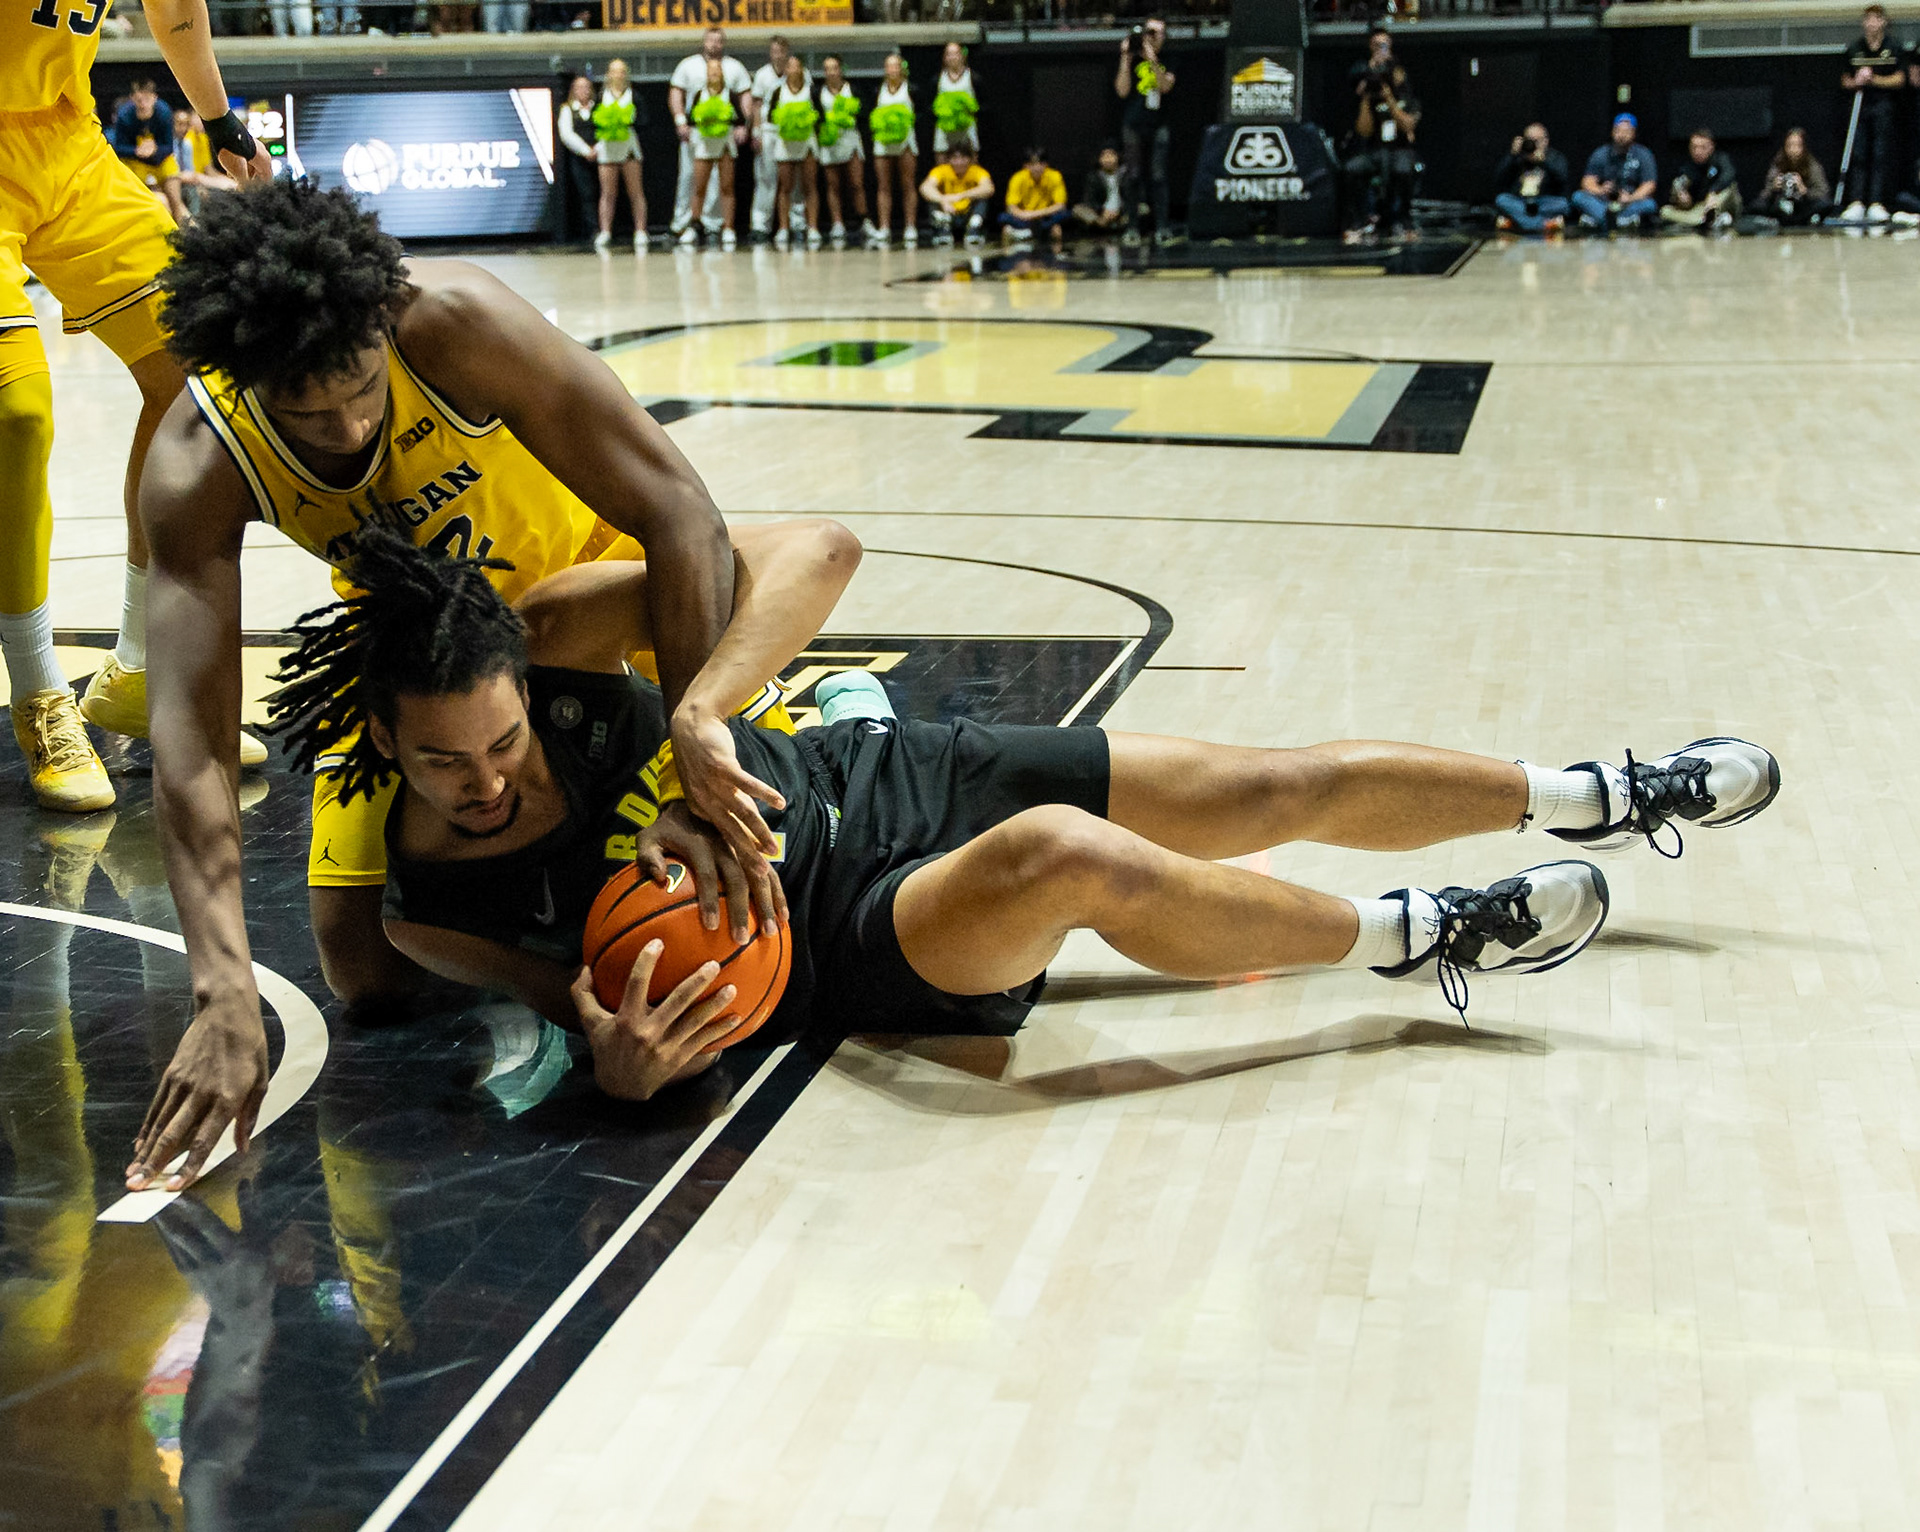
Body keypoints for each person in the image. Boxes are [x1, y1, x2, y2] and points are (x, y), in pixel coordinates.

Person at [274, 533, 1780, 1112]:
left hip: (891, 779)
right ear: (384, 755)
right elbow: (582, 1007)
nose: (489, 780)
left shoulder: (557, 646)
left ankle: (1603, 794)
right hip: (838, 941)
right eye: (445, 767)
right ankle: (1426, 939)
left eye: (503, 741)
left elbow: (815, 551)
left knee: (1272, 784)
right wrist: (620, 1062)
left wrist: (696, 718)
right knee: (1071, 862)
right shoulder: (428, 905)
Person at [116, 179, 810, 1192]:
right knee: (363, 972)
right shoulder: (194, 463)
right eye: (308, 412)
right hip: (426, 653)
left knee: (744, 875)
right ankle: (576, 931)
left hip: (584, 599)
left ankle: (813, 722)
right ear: (243, 379)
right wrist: (219, 981)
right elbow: (193, 747)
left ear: (382, 322)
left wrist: (690, 761)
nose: (349, 428)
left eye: (361, 387)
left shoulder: (457, 323)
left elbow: (680, 512)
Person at [2, 0, 271, 812]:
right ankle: (40, 692)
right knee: (17, 413)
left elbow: (176, 7)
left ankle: (139, 669)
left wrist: (220, 119)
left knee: (204, 367)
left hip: (67, 140)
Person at [668, 28, 751, 242]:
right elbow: (677, 94)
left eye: (718, 40)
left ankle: (718, 224)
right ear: (704, 41)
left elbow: (744, 100)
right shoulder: (688, 65)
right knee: (691, 179)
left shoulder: (735, 67)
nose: (714, 44)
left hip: (724, 136)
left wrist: (745, 125)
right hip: (697, 137)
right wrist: (680, 122)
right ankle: (685, 223)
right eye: (710, 40)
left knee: (723, 183)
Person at [1342, 28, 1420, 244]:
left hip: (1400, 147)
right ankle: (1358, 220)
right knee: (1351, 169)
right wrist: (1368, 98)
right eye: (1377, 44)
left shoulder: (1401, 79)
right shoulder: (1364, 73)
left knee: (1403, 169)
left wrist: (1389, 98)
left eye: (1384, 44)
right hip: (1374, 148)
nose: (1381, 49)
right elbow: (1363, 131)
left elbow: (1407, 125)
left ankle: (1404, 220)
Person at [1839, 3, 1903, 222]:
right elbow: (1844, 79)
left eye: (1876, 19)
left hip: (1883, 107)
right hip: (1859, 107)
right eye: (1868, 20)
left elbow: (1900, 79)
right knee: (1858, 154)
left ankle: (1877, 202)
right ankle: (1856, 201)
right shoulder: (1855, 48)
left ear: (1883, 22)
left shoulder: (1893, 47)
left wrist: (1874, 79)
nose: (1871, 24)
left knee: (1880, 154)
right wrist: (1856, 81)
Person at [1115, 18, 1174, 244]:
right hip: (1133, 123)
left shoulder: (1169, 59)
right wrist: (1124, 58)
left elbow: (1165, 86)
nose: (1150, 37)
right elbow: (1122, 90)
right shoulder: (1130, 58)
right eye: (1147, 33)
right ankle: (1132, 227)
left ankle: (1162, 226)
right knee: (1132, 175)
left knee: (1158, 175)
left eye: (1155, 33)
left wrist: (1152, 59)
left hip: (1158, 123)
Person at [750, 37, 809, 242]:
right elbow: (756, 105)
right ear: (770, 53)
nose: (778, 55)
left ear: (788, 52)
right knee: (766, 178)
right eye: (775, 51)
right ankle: (760, 224)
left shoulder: (803, 74)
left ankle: (797, 223)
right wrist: (756, 132)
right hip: (769, 130)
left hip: (793, 132)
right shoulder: (762, 75)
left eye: (782, 51)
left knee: (795, 180)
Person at [680, 58, 742, 250]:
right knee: (699, 187)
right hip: (704, 144)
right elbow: (691, 118)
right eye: (710, 70)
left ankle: (728, 228)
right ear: (706, 74)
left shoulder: (730, 94)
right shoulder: (700, 94)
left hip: (724, 143)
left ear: (722, 73)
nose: (714, 73)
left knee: (727, 186)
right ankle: (694, 225)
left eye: (717, 70)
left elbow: (739, 118)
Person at [108, 80, 189, 227]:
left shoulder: (163, 112)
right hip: (136, 162)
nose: (143, 105)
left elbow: (168, 147)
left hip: (161, 160)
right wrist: (137, 151)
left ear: (154, 98)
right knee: (150, 201)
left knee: (176, 201)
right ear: (132, 99)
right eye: (139, 100)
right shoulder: (124, 115)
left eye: (146, 100)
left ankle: (184, 230)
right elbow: (119, 148)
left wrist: (154, 150)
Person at [816, 55, 877, 247]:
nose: (831, 72)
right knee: (833, 185)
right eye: (827, 68)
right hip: (830, 141)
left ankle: (864, 221)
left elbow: (865, 113)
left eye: (834, 68)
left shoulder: (854, 89)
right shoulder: (818, 92)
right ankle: (837, 224)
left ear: (841, 69)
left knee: (856, 183)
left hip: (850, 140)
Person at [590, 59, 647, 254]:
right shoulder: (600, 96)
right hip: (607, 147)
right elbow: (593, 120)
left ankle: (640, 230)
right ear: (608, 74)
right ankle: (605, 231)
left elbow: (643, 120)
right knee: (607, 192)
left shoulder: (634, 96)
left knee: (635, 191)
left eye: (622, 71)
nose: (619, 75)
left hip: (629, 146)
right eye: (615, 71)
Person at [768, 52, 822, 251]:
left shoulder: (811, 91)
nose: (792, 69)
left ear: (802, 69)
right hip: (785, 142)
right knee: (785, 187)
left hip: (807, 142)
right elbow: (770, 117)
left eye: (796, 66)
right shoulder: (777, 91)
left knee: (810, 185)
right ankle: (783, 227)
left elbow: (819, 116)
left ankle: (813, 227)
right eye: (789, 66)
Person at [1571, 114, 1658, 233]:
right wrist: (1600, 190)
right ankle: (1615, 221)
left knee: (1650, 204)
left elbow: (1649, 184)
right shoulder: (1601, 153)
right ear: (1612, 132)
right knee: (1578, 197)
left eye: (1626, 131)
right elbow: (1587, 181)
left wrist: (1630, 198)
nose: (1621, 135)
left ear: (1634, 133)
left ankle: (1602, 221)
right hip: (1604, 203)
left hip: (1628, 203)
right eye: (1618, 130)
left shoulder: (1643, 154)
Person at [869, 53, 919, 247]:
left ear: (902, 68)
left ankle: (910, 226)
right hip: (883, 143)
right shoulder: (877, 91)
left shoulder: (911, 89)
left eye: (896, 66)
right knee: (884, 186)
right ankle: (884, 227)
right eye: (889, 66)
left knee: (908, 184)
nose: (893, 70)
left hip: (905, 141)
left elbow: (920, 113)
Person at [1660, 127, 1744, 232]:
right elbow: (1680, 192)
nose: (1698, 151)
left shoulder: (1720, 159)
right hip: (1700, 208)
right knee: (1665, 211)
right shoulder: (1687, 168)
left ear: (1711, 147)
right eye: (1694, 147)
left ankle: (1712, 217)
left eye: (1703, 147)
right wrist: (1682, 199)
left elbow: (1729, 175)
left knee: (1730, 189)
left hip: (1721, 201)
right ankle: (1705, 220)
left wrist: (1713, 192)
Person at [1492, 123, 1569, 236]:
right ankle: (1544, 225)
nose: (1533, 144)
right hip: (1521, 202)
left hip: (1544, 202)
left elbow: (1563, 179)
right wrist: (1512, 155)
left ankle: (1518, 222)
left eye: (1536, 141)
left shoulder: (1555, 157)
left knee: (1563, 204)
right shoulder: (1517, 158)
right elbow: (1499, 179)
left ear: (1545, 141)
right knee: (1501, 200)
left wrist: (1544, 162)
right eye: (1529, 140)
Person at [555, 74, 600, 243]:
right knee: (585, 193)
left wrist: (598, 148)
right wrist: (585, 150)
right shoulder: (567, 109)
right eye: (579, 88)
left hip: (601, 156)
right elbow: (566, 134)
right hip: (579, 158)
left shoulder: (599, 108)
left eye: (586, 87)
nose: (583, 91)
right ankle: (591, 229)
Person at [1755, 127, 1832, 226]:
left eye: (1797, 146)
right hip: (1781, 204)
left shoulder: (1812, 165)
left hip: (1804, 205)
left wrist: (1804, 190)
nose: (1793, 150)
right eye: (1790, 146)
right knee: (1757, 205)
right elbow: (1765, 194)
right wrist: (1774, 188)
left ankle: (1809, 218)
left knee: (1825, 204)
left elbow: (1823, 192)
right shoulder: (1778, 165)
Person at [922, 144, 993, 246]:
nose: (959, 162)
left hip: (967, 213)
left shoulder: (977, 171)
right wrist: (942, 200)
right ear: (949, 160)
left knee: (982, 199)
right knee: (932, 201)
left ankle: (974, 229)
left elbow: (988, 188)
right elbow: (925, 187)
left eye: (963, 158)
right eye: (955, 158)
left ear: (969, 159)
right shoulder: (941, 170)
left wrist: (962, 195)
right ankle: (943, 230)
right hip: (948, 212)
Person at [1001, 146, 1070, 248]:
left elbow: (1060, 205)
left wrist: (1037, 213)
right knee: (1005, 222)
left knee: (1059, 224)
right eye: (1032, 164)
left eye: (1041, 163)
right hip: (1024, 218)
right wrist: (1024, 215)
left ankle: (1054, 258)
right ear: (1026, 166)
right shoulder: (1017, 178)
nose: (1037, 167)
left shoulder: (1055, 176)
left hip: (1046, 217)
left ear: (1046, 164)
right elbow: (1011, 207)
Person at [932, 40, 980, 157]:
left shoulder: (973, 77)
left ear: (962, 56)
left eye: (956, 53)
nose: (952, 57)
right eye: (949, 54)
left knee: (971, 159)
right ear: (944, 58)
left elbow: (983, 104)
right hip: (944, 128)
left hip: (967, 127)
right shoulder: (937, 79)